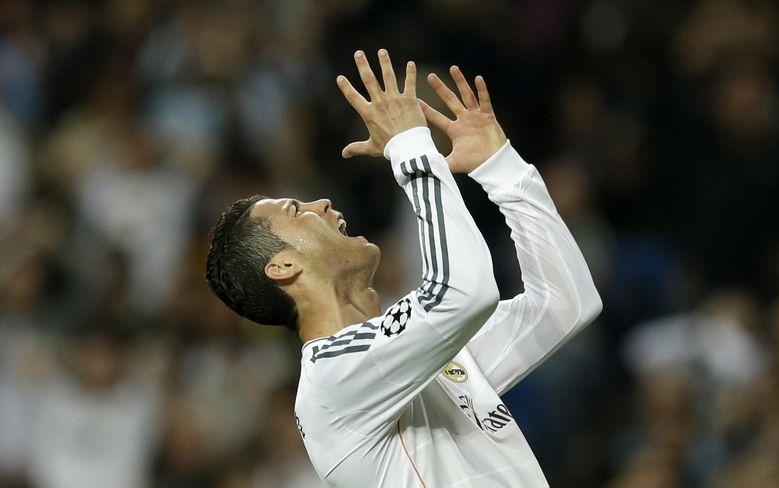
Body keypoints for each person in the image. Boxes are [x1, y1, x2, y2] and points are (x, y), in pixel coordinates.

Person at [205, 49, 602, 487]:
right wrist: (410, 146)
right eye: (297, 210)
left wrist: (501, 168)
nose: (322, 204)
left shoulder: (410, 352)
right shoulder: (332, 382)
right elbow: (462, 293)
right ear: (282, 266)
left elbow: (565, 304)